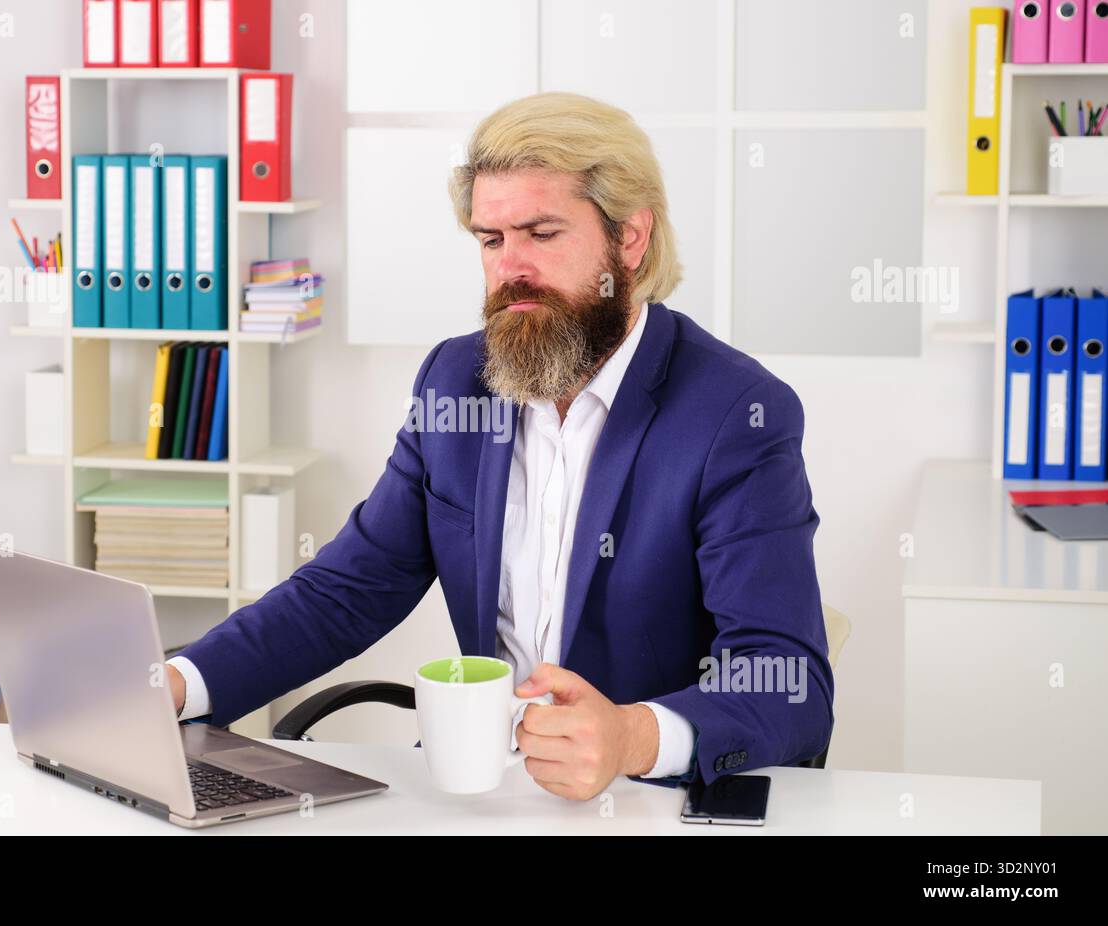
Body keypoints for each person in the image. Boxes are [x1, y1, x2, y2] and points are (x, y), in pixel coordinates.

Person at [167, 91, 834, 801]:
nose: (509, 266)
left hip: (646, 796)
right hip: (480, 789)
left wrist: (632, 737)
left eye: (541, 233)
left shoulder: (736, 414)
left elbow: (785, 676)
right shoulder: (457, 381)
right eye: (491, 240)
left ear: (630, 240)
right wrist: (176, 684)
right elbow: (344, 593)